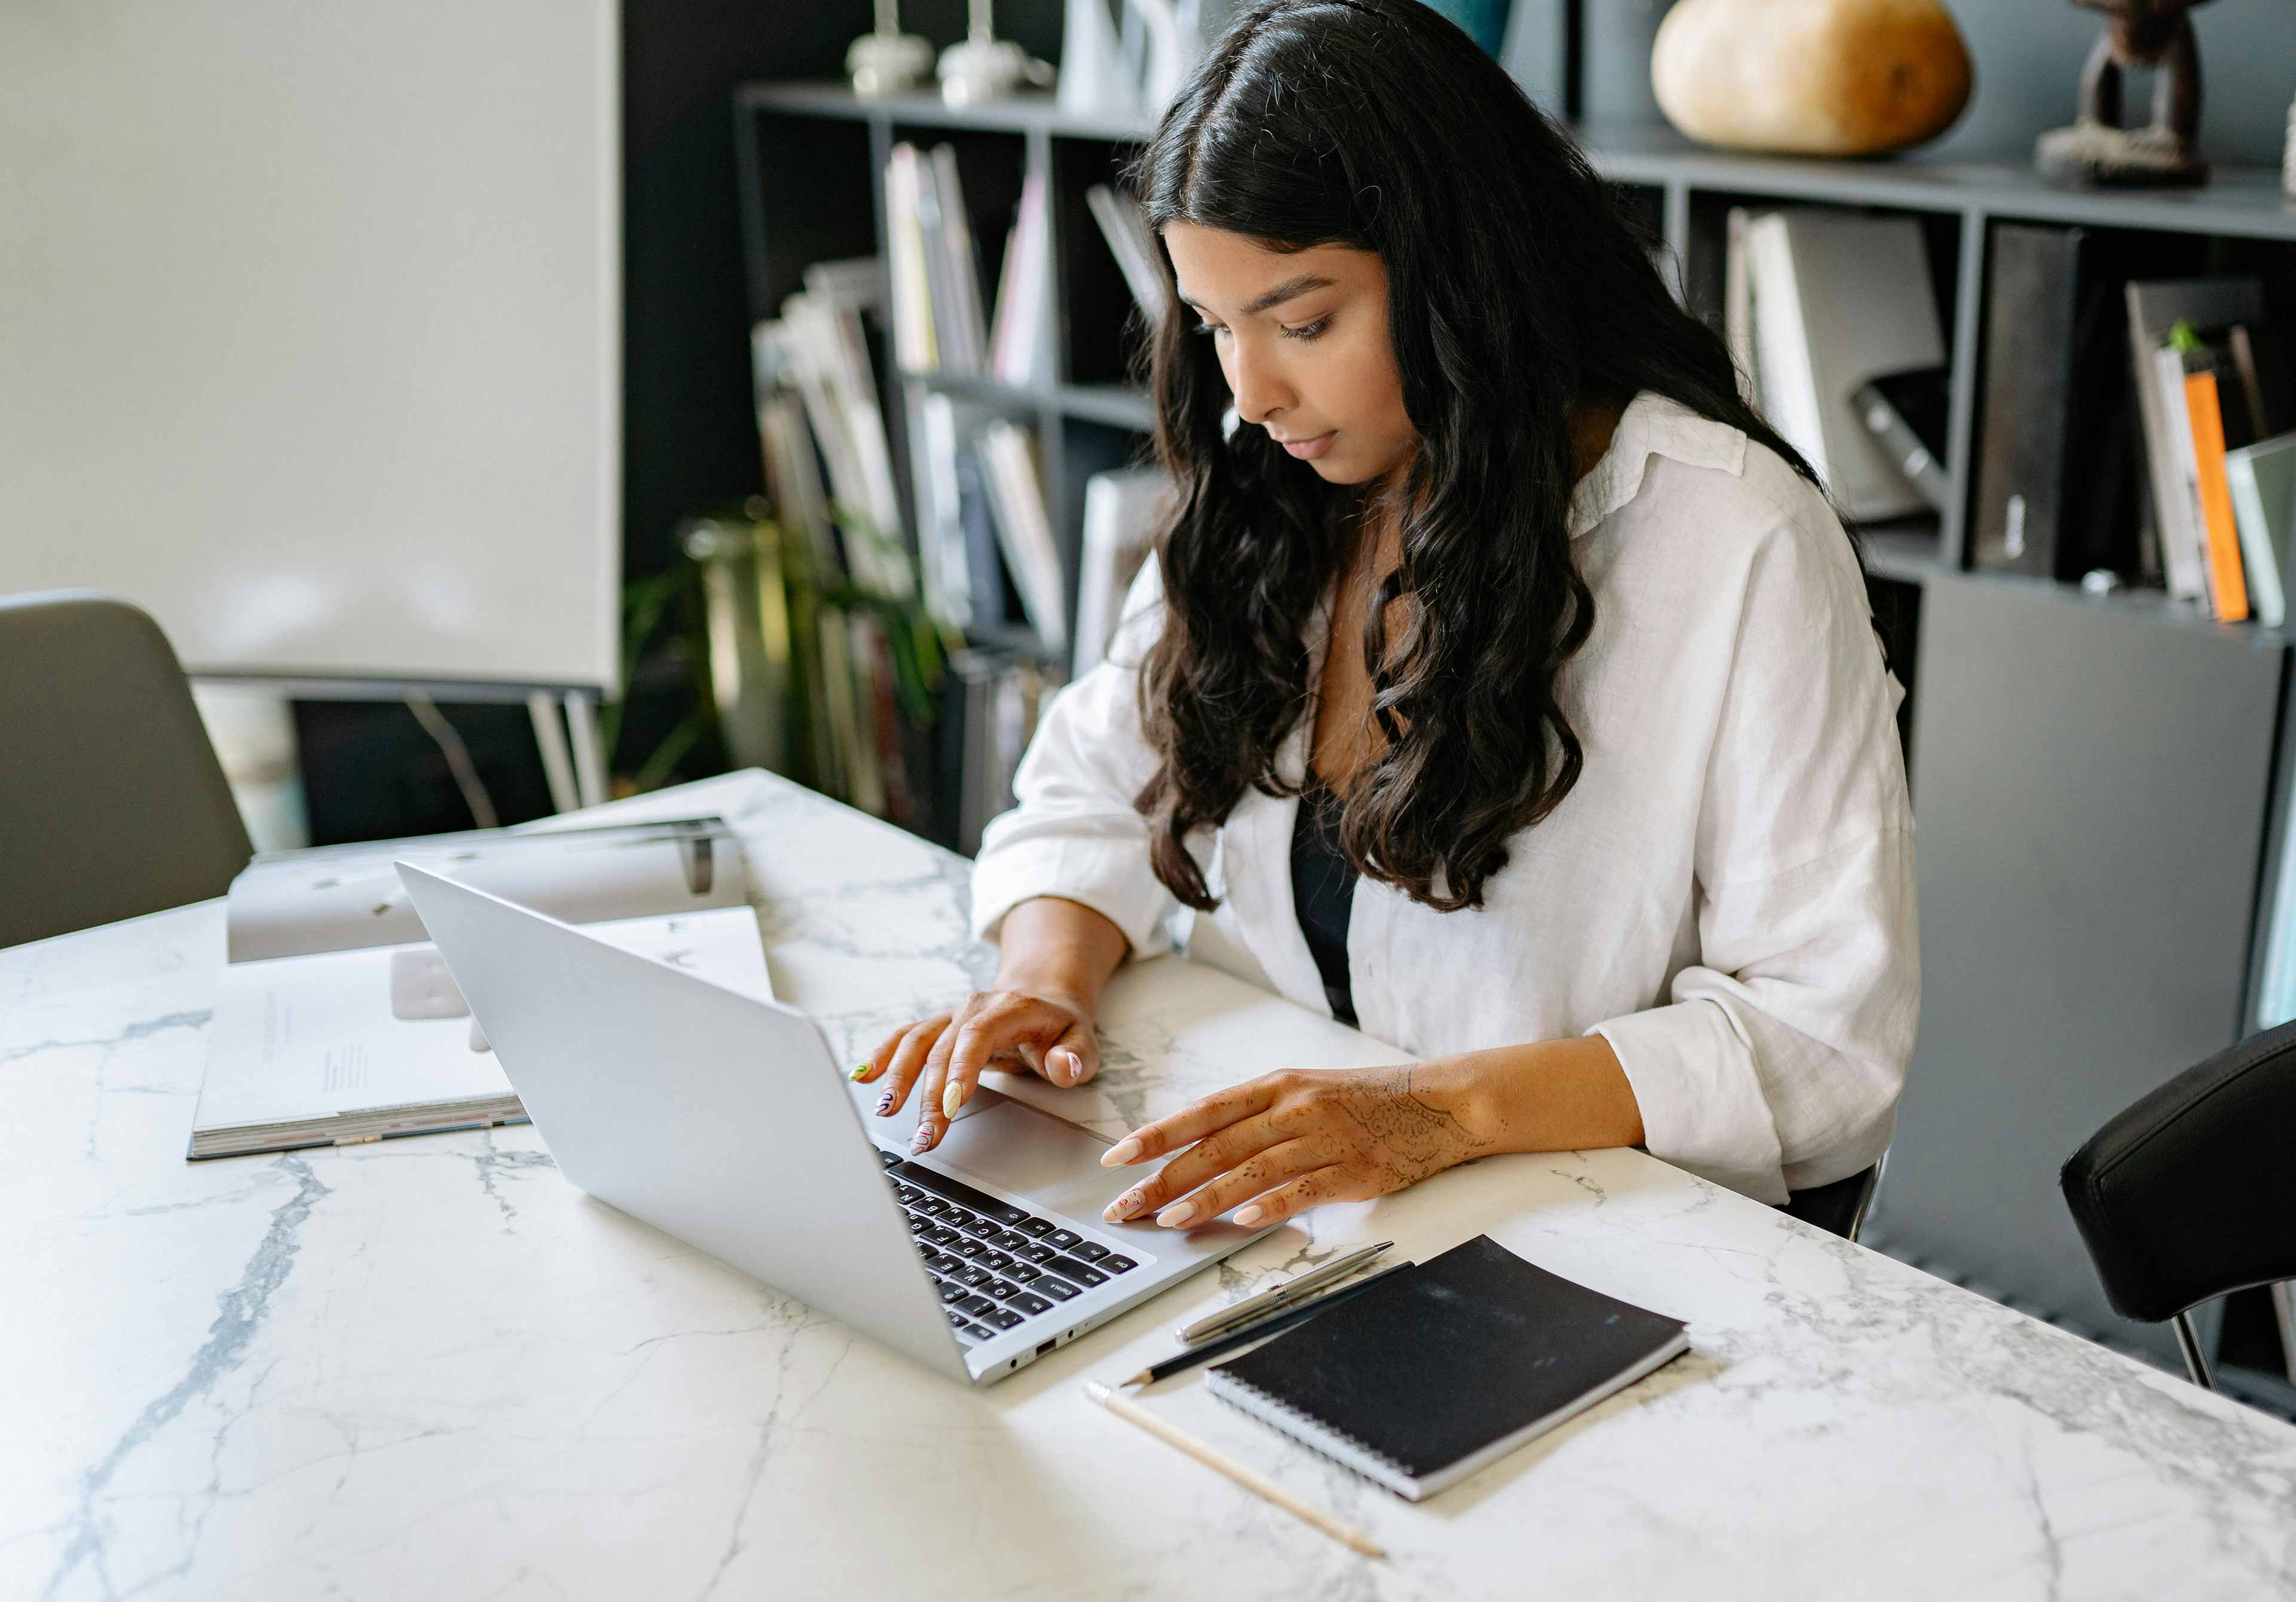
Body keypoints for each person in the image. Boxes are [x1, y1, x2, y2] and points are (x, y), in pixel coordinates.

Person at [856, 0, 1916, 1226]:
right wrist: (1043, 980)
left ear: (1462, 274)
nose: (1252, 392)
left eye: (1304, 321)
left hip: (1581, 1235)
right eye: (1214, 326)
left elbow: (1824, 1035)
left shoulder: (1735, 539)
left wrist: (1437, 1112)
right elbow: (1095, 781)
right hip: (1288, 1202)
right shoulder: (1270, 489)